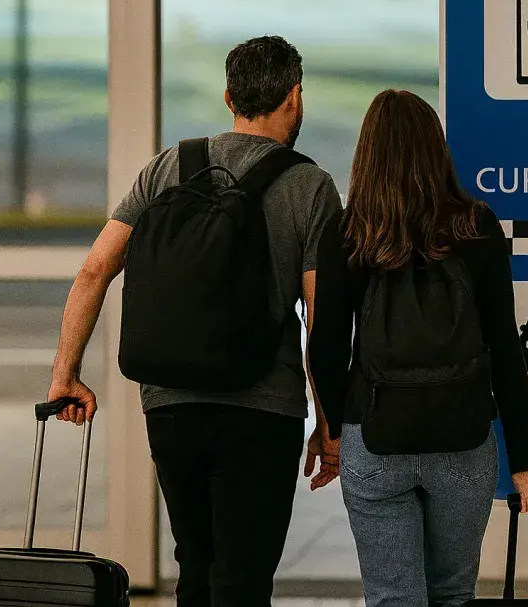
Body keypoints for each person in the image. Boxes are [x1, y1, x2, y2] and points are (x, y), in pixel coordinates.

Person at [46, 35, 343, 606]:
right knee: (243, 576)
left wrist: (65, 373)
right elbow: (321, 325)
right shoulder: (310, 186)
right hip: (262, 413)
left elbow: (93, 271)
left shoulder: (166, 169)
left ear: (229, 95)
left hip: (171, 404)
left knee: (197, 568)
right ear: (295, 98)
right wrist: (329, 425)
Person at [308, 89, 528, 607]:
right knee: (452, 594)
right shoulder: (476, 226)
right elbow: (506, 349)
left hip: (373, 439)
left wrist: (332, 430)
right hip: (461, 442)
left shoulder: (349, 232)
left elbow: (326, 347)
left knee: (393, 597)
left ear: (367, 152)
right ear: (435, 148)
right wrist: (526, 464)